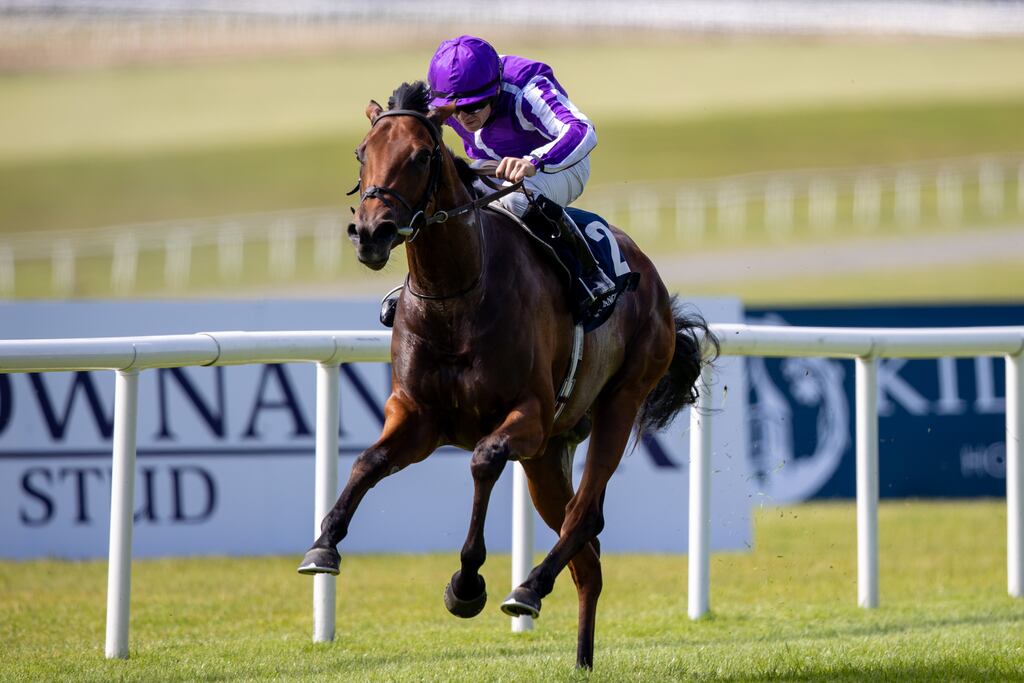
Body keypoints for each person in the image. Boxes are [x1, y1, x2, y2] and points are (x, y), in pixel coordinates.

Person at [427, 35, 616, 306]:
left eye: (473, 106)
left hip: (559, 164)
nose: (463, 117)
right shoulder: (440, 93)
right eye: (453, 110)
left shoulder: (527, 88)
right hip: (494, 164)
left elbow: (582, 130)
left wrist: (534, 161)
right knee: (448, 194)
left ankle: (589, 274)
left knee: (516, 199)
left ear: (495, 91)